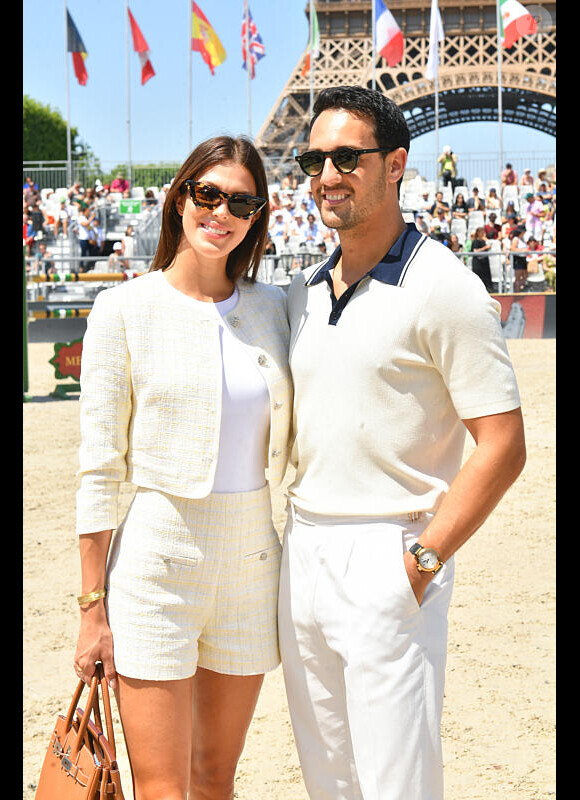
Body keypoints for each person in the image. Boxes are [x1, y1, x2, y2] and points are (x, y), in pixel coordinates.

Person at [281, 85, 525, 800]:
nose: (328, 174)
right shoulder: (302, 288)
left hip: (391, 547)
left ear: (396, 165)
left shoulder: (445, 288)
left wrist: (420, 561)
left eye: (348, 157)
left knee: (397, 785)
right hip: (303, 550)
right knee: (329, 781)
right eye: (314, 159)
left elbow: (504, 444)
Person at [74, 135, 293, 800]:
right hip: (154, 564)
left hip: (252, 561)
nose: (221, 211)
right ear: (180, 198)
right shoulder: (123, 309)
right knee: (164, 788)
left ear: (258, 216)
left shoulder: (276, 309)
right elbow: (97, 469)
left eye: (242, 202)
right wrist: (91, 608)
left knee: (214, 780)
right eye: (208, 194)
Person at [471, 225, 493, 291]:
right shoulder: (475, 241)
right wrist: (485, 248)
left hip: (484, 263)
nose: (484, 234)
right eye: (482, 232)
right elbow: (475, 251)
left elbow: (490, 244)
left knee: (486, 278)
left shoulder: (484, 241)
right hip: (478, 264)